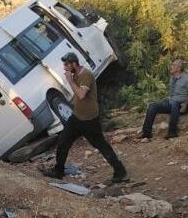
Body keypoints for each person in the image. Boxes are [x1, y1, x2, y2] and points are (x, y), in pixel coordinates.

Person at [42, 52, 128, 183]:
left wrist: (70, 81)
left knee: (101, 145)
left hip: (89, 119)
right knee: (63, 142)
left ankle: (120, 171)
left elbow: (82, 94)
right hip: (77, 117)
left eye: (66, 65)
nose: (65, 67)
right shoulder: (75, 75)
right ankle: (58, 171)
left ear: (74, 64)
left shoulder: (86, 75)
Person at [139, 58, 188, 140]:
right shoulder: (172, 78)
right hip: (173, 103)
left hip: (184, 104)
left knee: (175, 104)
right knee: (153, 106)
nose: (171, 66)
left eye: (173, 65)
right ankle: (146, 134)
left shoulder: (187, 78)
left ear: (179, 68)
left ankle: (172, 133)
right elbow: (172, 96)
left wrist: (186, 103)